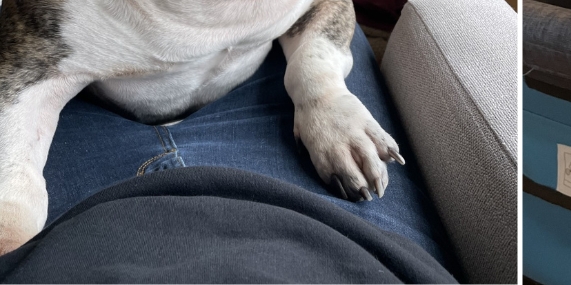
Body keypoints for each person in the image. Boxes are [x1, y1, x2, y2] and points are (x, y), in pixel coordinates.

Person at [0, 28, 457, 284]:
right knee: (291, 7)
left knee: (33, 38)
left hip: (50, 241)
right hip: (341, 222)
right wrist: (320, 89)